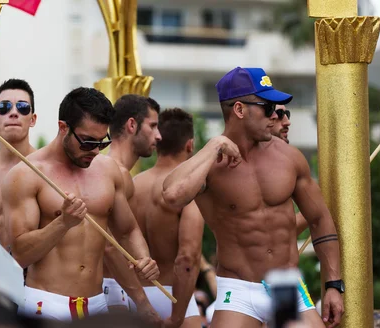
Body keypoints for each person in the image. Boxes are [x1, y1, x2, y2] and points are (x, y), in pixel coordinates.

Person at [162, 67, 345, 328]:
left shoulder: (288, 157)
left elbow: (319, 219)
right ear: (239, 109)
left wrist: (333, 285)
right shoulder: (210, 164)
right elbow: (171, 195)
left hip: (285, 287)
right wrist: (214, 145)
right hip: (237, 291)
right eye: (267, 107)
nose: (274, 115)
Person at [3, 87, 160, 322]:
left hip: (97, 305)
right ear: (63, 127)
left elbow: (127, 231)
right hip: (46, 305)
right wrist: (63, 223)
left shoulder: (108, 170)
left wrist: (143, 258)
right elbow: (20, 255)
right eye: (87, 142)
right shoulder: (26, 174)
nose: (95, 151)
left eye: (101, 142)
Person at [131, 108, 204, 328]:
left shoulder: (132, 186)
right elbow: (187, 258)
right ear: (189, 145)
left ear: (157, 141)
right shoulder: (187, 190)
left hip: (135, 296)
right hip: (175, 296)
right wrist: (177, 316)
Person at [102, 94, 161, 319]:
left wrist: (145, 259)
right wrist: (143, 303)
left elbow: (127, 234)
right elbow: (108, 246)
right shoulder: (116, 172)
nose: (159, 135)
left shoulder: (119, 173)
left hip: (115, 288)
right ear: (132, 125)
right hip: (108, 290)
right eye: (153, 126)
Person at [0, 79, 38, 251]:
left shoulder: (45, 170)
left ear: (32, 119)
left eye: (22, 107)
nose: (13, 113)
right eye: (4, 107)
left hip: (31, 275)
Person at [268, 105, 308, 236]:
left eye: (287, 114)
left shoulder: (290, 161)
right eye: (279, 114)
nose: (287, 122)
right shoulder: (234, 163)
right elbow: (268, 236)